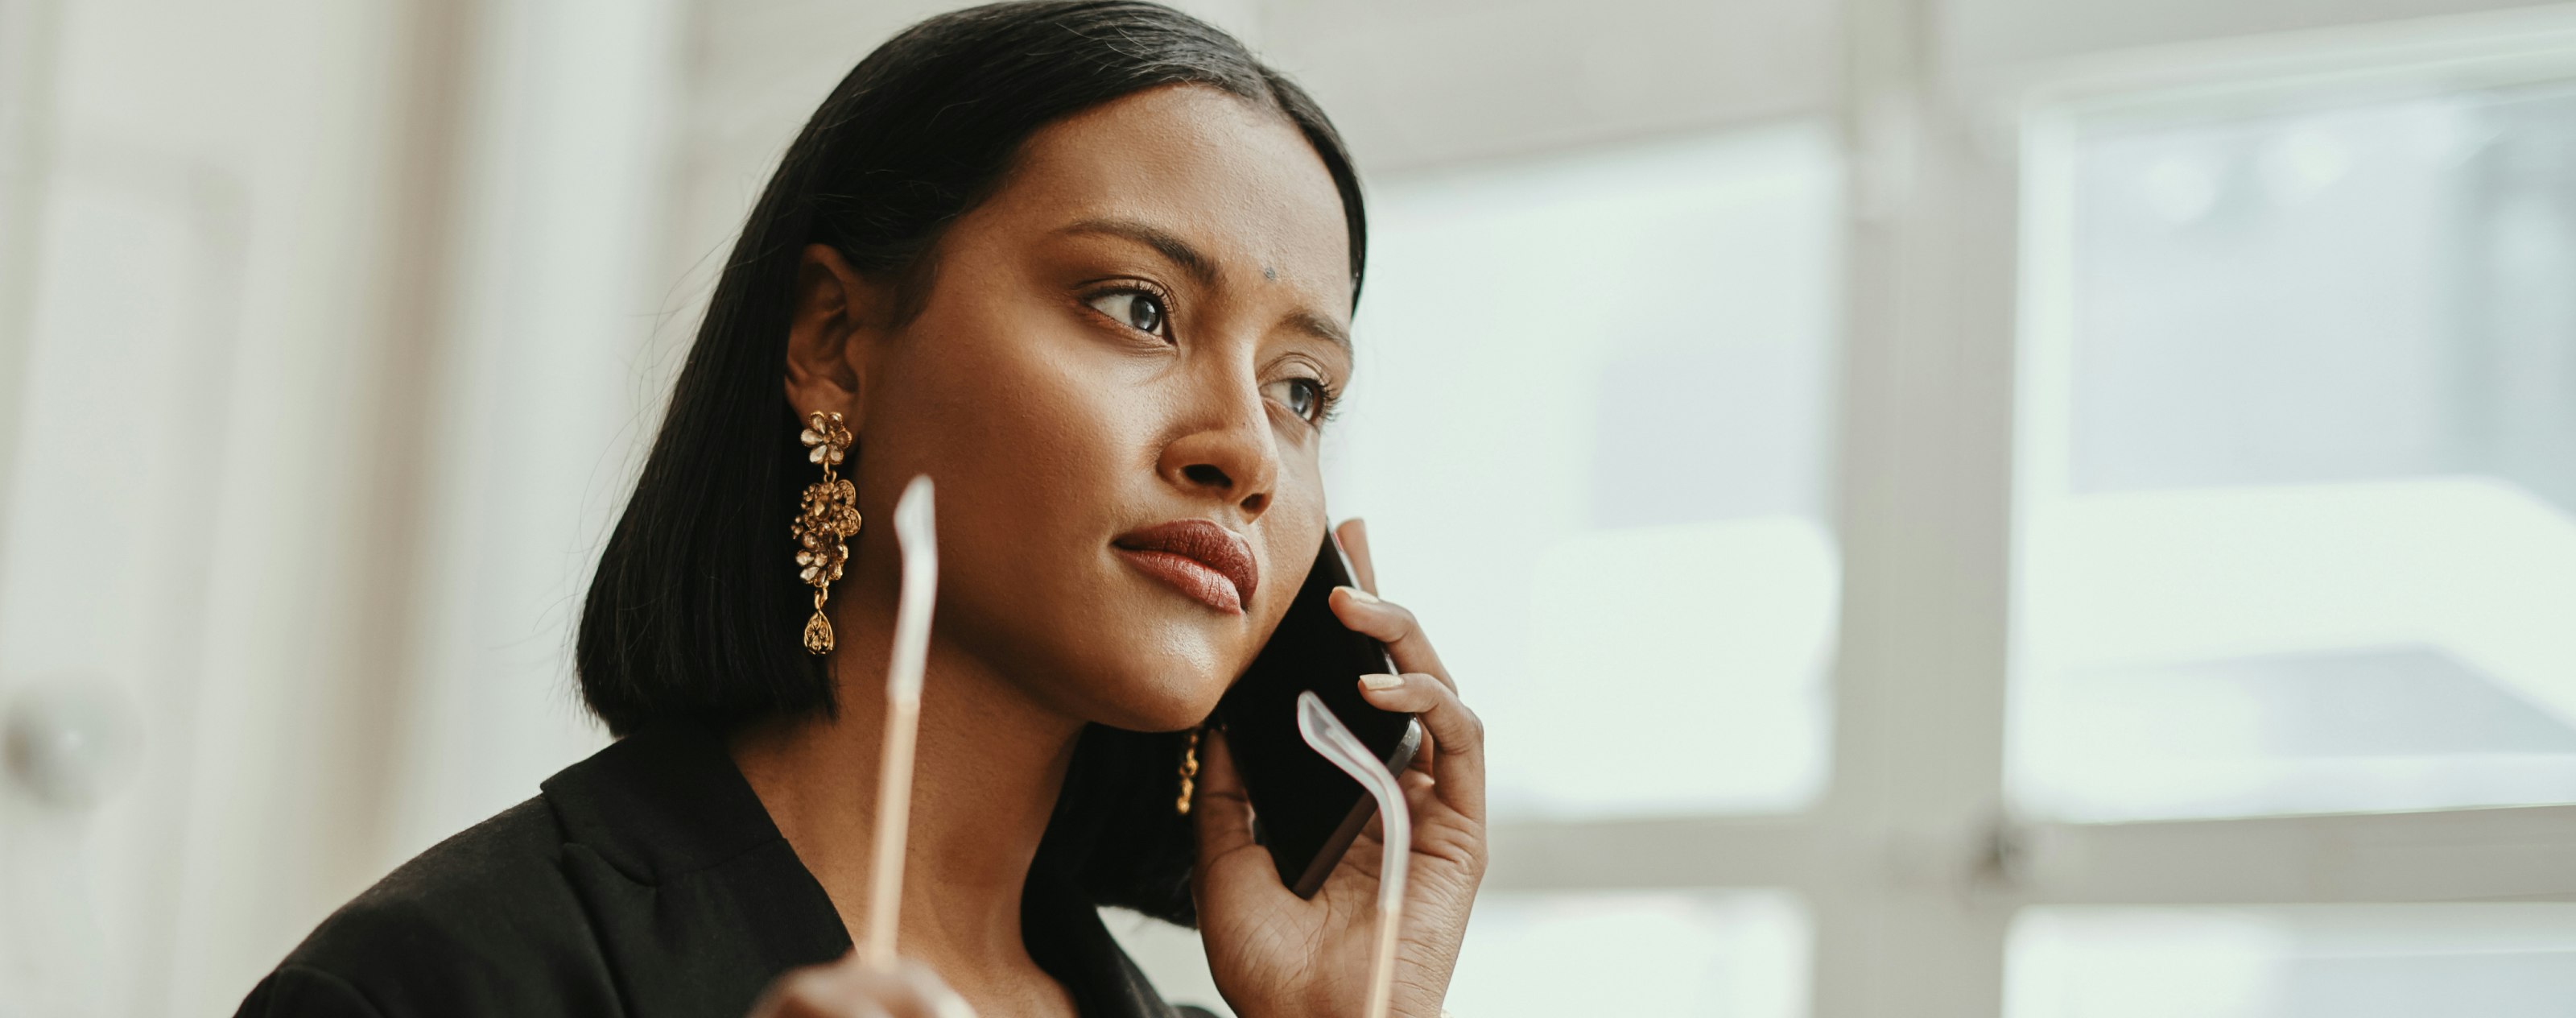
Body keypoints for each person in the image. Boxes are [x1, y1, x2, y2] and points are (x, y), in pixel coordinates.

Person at [232, 2, 1487, 1016]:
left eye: (1303, 389)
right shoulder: (442, 983)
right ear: (836, 341)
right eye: (1135, 306)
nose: (1247, 453)